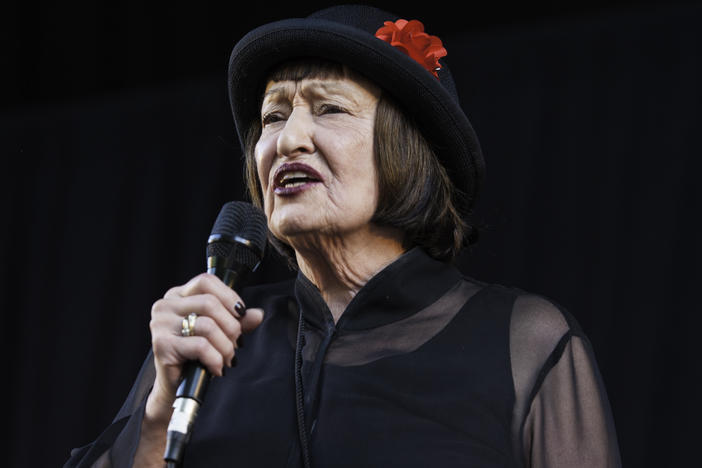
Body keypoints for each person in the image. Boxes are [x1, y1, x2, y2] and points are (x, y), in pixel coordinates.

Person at [65, 5, 622, 467]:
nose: (288, 140)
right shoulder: (210, 340)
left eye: (329, 108)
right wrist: (160, 408)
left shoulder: (521, 343)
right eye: (274, 115)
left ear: (405, 151)